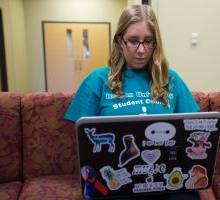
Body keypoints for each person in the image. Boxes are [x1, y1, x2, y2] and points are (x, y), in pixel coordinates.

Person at [65, 4, 200, 200]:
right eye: (133, 41)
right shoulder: (98, 80)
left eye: (148, 41)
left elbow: (192, 130)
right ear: (120, 41)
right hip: (116, 179)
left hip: (167, 178)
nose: (142, 50)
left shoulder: (171, 80)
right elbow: (81, 139)